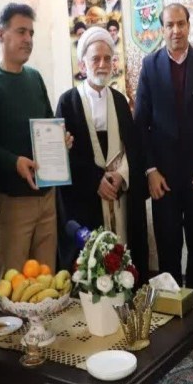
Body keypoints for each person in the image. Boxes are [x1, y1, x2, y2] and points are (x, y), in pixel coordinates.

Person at [0, 3, 71, 279]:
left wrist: (61, 140)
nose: (28, 39)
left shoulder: (34, 78)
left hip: (46, 199)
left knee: (46, 284)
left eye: (31, 33)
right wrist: (13, 162)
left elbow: (48, 122)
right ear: (0, 34)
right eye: (21, 31)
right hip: (11, 204)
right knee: (15, 288)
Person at [134, 3, 193, 304]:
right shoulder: (150, 65)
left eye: (181, 24)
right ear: (162, 29)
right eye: (169, 25)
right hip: (164, 180)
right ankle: (172, 313)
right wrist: (150, 170)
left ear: (188, 26)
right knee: (168, 249)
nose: (176, 30)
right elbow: (141, 123)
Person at [56, 27, 148, 281]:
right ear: (83, 64)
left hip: (119, 197)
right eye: (95, 59)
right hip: (86, 200)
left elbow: (132, 148)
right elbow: (64, 154)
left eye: (107, 58)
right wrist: (95, 180)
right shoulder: (68, 102)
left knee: (125, 262)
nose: (102, 64)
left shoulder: (120, 101)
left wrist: (122, 176)